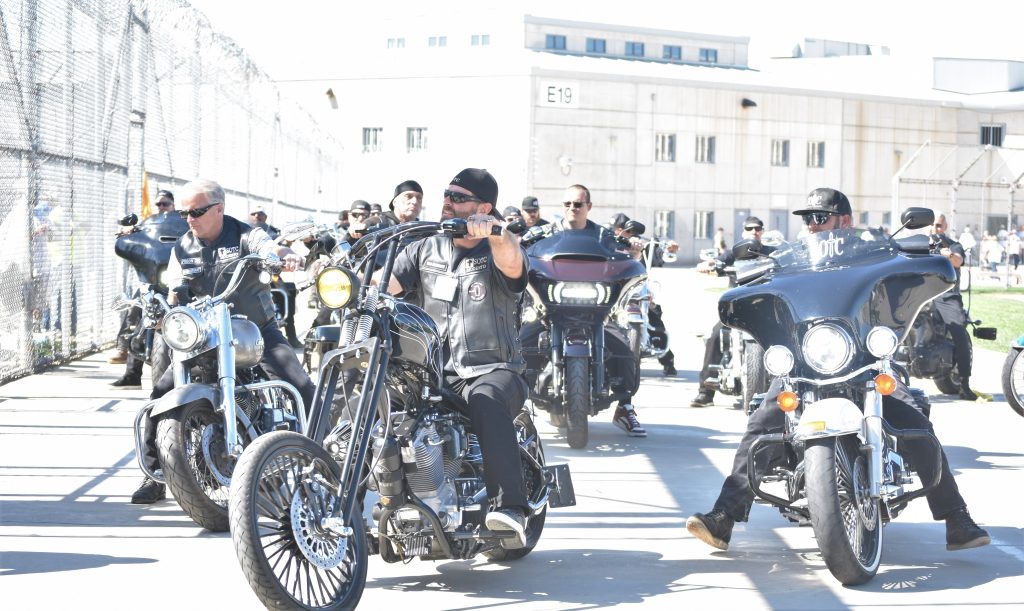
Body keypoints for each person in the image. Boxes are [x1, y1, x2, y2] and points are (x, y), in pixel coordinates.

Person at [686, 187, 990, 554]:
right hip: (806, 364)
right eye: (807, 219)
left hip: (865, 361)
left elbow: (902, 270)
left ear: (843, 220)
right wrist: (749, 275)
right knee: (762, 423)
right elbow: (760, 282)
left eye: (819, 217)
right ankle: (724, 517)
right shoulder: (790, 262)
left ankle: (957, 518)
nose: (812, 226)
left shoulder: (874, 253)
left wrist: (920, 259)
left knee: (914, 421)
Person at [131, 179, 317, 504]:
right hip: (207, 337)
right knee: (161, 394)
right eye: (185, 212)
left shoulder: (246, 234)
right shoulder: (181, 248)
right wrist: (172, 297)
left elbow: (270, 247)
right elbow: (176, 285)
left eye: (197, 211)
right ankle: (155, 475)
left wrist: (283, 257)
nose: (190, 218)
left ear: (219, 208)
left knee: (300, 385)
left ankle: (322, 461)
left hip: (255, 331)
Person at [379, 168, 531, 548]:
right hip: (433, 373)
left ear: (483, 207)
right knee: (376, 401)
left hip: (493, 370)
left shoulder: (497, 248)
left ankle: (511, 507)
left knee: (486, 399)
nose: (447, 202)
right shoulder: (423, 248)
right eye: (446, 195)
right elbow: (381, 288)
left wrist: (497, 232)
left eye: (458, 197)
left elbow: (514, 266)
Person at [555, 184, 646, 437]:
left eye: (578, 204)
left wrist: (634, 251)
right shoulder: (549, 232)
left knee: (624, 350)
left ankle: (625, 406)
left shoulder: (603, 235)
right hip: (554, 307)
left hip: (594, 308)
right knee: (521, 343)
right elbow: (527, 250)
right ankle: (516, 408)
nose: (572, 208)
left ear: (589, 207)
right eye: (568, 204)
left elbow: (621, 258)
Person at [691, 216, 766, 407]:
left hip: (763, 309)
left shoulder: (769, 252)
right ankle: (705, 393)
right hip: (737, 309)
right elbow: (719, 261)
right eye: (750, 228)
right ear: (744, 231)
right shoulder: (736, 251)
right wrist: (708, 265)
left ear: (762, 232)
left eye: (758, 228)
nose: (754, 231)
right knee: (716, 335)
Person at [110, 190, 177, 388]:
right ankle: (131, 372)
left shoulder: (183, 221)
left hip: (177, 278)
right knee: (137, 307)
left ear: (173, 204)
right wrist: (128, 232)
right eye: (159, 204)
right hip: (156, 278)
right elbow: (140, 241)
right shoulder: (149, 225)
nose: (161, 207)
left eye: (165, 203)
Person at [610, 213, 677, 376]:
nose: (619, 234)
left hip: (637, 292)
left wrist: (667, 248)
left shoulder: (643, 245)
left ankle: (667, 360)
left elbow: (658, 253)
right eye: (616, 230)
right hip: (613, 291)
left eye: (624, 230)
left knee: (653, 317)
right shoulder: (608, 244)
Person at [930, 214, 980, 400]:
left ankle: (964, 384)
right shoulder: (918, 245)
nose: (936, 229)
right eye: (933, 225)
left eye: (939, 225)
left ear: (945, 226)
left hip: (945, 295)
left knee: (959, 329)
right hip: (919, 296)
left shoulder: (953, 245)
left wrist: (945, 252)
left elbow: (957, 260)